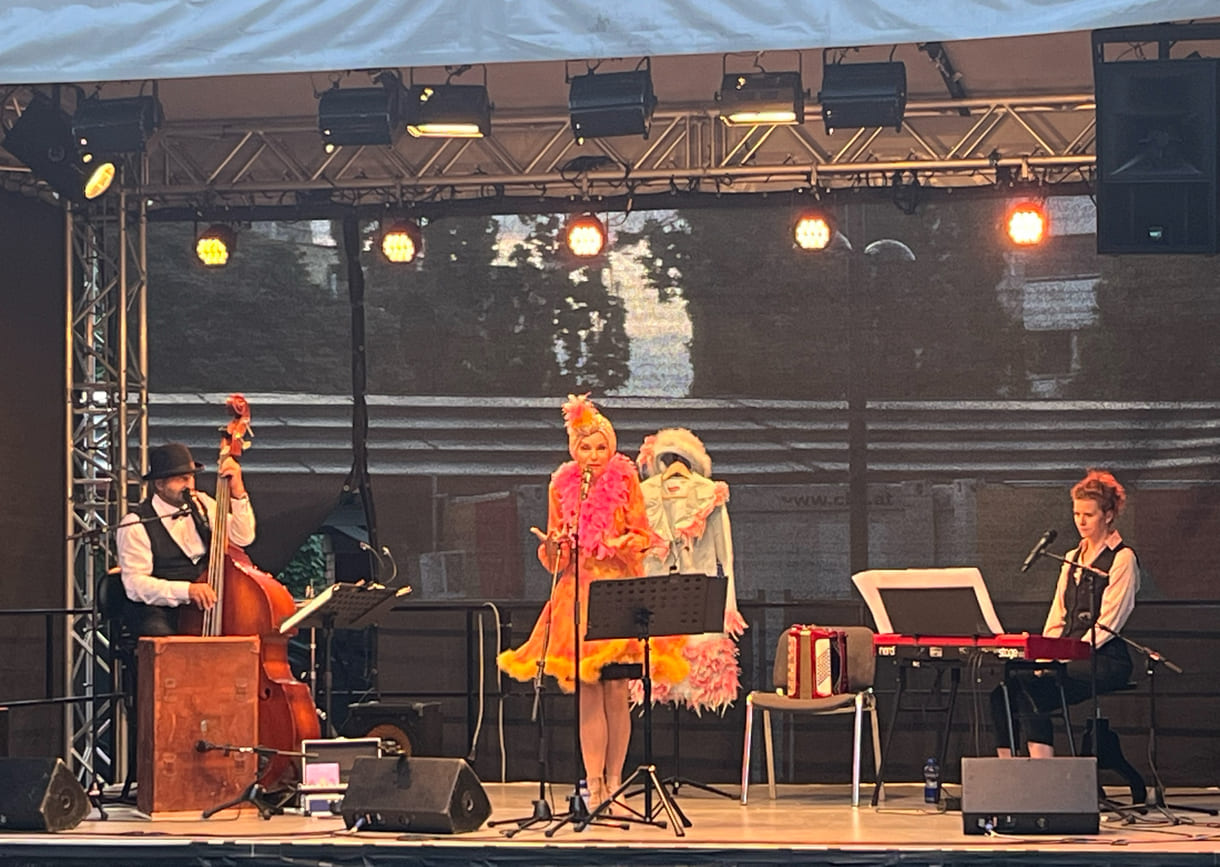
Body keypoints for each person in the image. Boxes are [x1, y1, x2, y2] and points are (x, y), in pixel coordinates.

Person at [497, 395, 688, 809]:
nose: (595, 455)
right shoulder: (560, 486)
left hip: (618, 593)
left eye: (602, 447)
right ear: (574, 450)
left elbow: (644, 539)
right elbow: (555, 561)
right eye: (586, 447)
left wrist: (622, 544)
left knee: (617, 689)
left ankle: (616, 780)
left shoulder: (626, 483)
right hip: (576, 599)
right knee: (588, 691)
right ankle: (594, 781)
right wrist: (554, 545)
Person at [991, 468, 1139, 757]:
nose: (1081, 522)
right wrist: (1044, 654)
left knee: (1032, 687)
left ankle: (1043, 773)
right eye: (1077, 514)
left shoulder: (1122, 558)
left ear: (1108, 515)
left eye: (1089, 515)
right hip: (1068, 655)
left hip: (1103, 657)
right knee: (1005, 689)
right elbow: (1058, 614)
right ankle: (1008, 770)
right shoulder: (1072, 557)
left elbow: (1109, 622)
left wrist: (1062, 657)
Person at [636, 427, 747, 713]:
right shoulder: (641, 495)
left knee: (699, 670)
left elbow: (727, 557)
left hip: (699, 595)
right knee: (656, 671)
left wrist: (727, 609)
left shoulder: (710, 495)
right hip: (654, 593)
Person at [115, 442, 256, 638]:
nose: (189, 485)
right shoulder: (135, 523)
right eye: (181, 479)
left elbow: (243, 537)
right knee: (164, 640)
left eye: (190, 478)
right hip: (161, 610)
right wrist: (187, 590)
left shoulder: (203, 504)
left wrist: (238, 493)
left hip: (206, 605)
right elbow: (135, 585)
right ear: (160, 485)